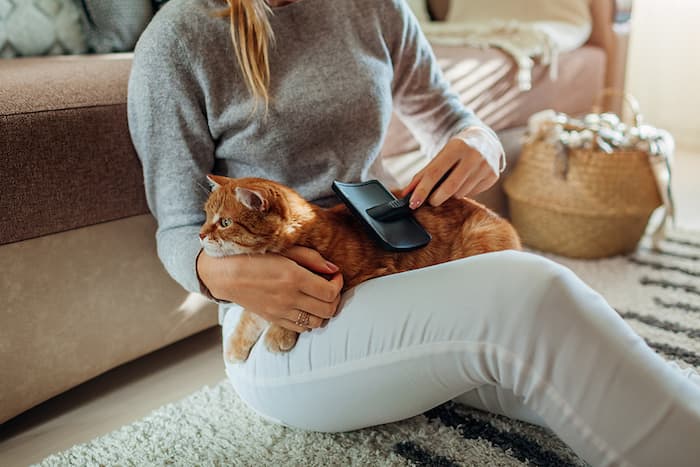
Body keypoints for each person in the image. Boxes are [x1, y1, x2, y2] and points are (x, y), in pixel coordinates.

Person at [127, 0, 700, 464]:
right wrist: (231, 281)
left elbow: (450, 117)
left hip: (390, 256)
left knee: (570, 347)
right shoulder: (179, 37)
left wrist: (479, 141)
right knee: (528, 294)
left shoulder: (372, 7)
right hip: (284, 327)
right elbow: (178, 226)